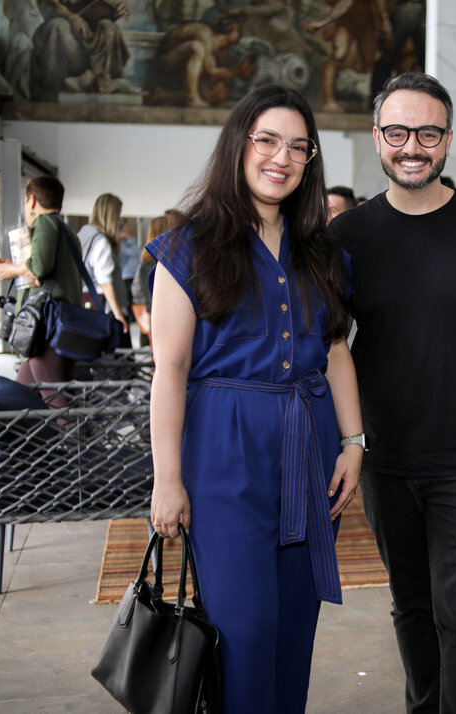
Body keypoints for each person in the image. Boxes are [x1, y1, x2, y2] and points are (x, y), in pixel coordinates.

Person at [147, 84, 363, 713]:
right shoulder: (187, 247)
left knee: (295, 630)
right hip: (224, 454)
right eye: (267, 140)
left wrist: (354, 443)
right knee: (244, 632)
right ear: (238, 145)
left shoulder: (322, 250)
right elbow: (171, 368)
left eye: (299, 146)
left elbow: (338, 350)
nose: (282, 157)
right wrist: (167, 479)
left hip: (310, 451)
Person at [328, 72, 456, 713]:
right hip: (386, 460)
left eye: (427, 132)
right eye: (398, 131)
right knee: (411, 605)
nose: (411, 145)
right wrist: (348, 443)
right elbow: (332, 348)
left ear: (448, 139)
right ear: (377, 137)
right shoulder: (349, 236)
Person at [0, 175, 82, 404]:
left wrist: (10, 271)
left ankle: (73, 440)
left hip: (44, 328)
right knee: (21, 400)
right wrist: (18, 268)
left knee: (59, 406)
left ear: (31, 200)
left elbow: (40, 266)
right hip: (59, 325)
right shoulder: (67, 231)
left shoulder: (45, 223)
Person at [31, 0, 140, 97]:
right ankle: (89, 78)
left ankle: (96, 76)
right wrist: (71, 16)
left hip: (88, 36)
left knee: (108, 26)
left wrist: (116, 10)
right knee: (58, 25)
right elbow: (50, 4)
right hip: (66, 35)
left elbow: (99, 7)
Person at [78, 193, 130, 346]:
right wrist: (119, 314)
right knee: (119, 360)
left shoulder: (84, 235)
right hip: (105, 310)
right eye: (118, 215)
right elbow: (105, 281)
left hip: (87, 306)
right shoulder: (101, 242)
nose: (120, 220)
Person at [131, 215, 166, 347]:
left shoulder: (149, 262)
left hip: (153, 316)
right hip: (154, 317)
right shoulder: (150, 264)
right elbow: (149, 298)